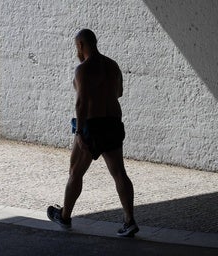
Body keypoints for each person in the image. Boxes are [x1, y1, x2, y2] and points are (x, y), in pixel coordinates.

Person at [47, 29, 139, 237]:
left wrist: (79, 132)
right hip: (113, 124)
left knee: (76, 172)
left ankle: (65, 216)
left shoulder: (83, 70)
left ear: (81, 45)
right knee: (119, 173)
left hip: (91, 126)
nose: (76, 51)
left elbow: (80, 103)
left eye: (76, 47)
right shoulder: (112, 65)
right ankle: (129, 220)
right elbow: (119, 93)